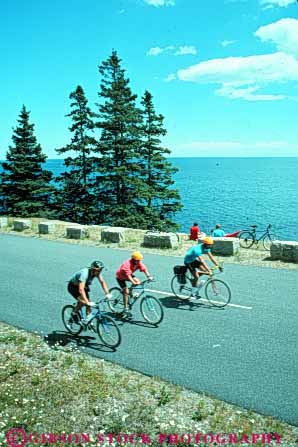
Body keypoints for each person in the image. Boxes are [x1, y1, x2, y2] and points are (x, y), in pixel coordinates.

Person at [116, 251, 153, 317]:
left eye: (140, 260)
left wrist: (149, 276)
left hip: (128, 275)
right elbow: (128, 276)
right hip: (120, 277)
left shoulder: (138, 262)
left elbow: (144, 269)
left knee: (137, 281)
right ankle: (125, 309)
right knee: (126, 291)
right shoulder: (127, 264)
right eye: (138, 260)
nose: (139, 261)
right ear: (133, 260)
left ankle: (131, 293)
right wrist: (133, 282)